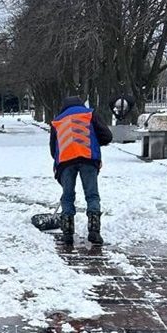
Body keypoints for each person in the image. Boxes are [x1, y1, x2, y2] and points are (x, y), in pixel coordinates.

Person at [49, 95, 113, 245]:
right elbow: (107, 136)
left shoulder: (58, 121)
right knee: (92, 195)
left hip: (65, 162)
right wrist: (94, 142)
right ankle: (94, 232)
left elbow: (53, 149)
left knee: (68, 196)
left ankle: (67, 233)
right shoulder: (89, 114)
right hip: (88, 158)